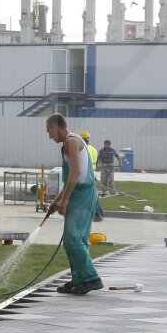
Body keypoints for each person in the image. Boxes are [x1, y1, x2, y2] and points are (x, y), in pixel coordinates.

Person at [45, 113, 103, 295]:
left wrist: (65, 199)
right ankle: (79, 279)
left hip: (82, 196)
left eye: (49, 131)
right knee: (79, 240)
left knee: (72, 241)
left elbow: (76, 174)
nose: (49, 135)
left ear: (57, 127)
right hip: (84, 193)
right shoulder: (72, 142)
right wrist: (56, 201)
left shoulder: (71, 142)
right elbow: (72, 177)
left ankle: (91, 278)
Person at [80, 130, 104, 221]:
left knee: (87, 196)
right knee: (93, 195)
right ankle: (100, 213)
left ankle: (97, 214)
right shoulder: (93, 149)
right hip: (92, 174)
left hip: (86, 175)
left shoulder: (83, 148)